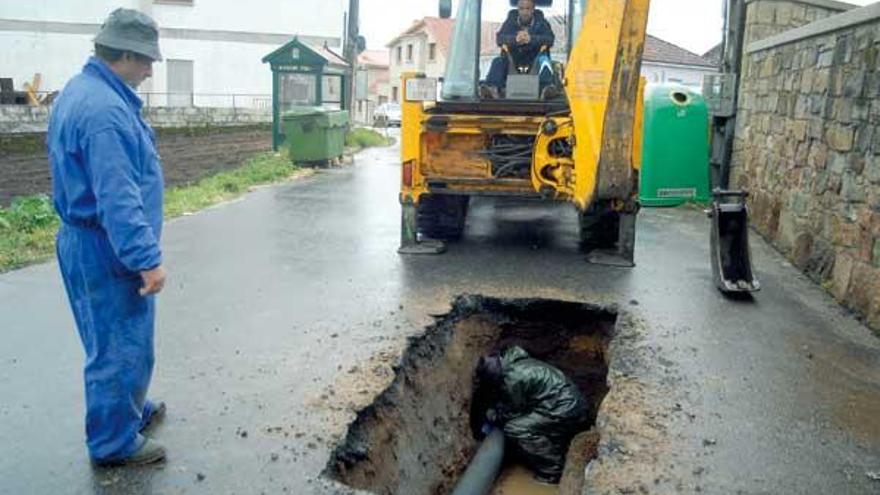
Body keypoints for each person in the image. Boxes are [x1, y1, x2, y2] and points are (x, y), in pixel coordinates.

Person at [48, 8, 168, 466]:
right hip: (106, 246)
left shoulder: (81, 91)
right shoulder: (105, 112)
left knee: (115, 341)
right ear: (123, 55)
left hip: (84, 241)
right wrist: (146, 259)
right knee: (119, 346)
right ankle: (114, 443)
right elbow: (119, 199)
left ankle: (127, 412)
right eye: (145, 61)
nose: (149, 70)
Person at [471, 346, 589, 484]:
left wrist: (495, 417)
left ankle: (553, 470)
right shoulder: (516, 363)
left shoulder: (513, 379)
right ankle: (555, 447)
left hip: (564, 410)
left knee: (515, 428)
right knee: (528, 422)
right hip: (568, 403)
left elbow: (513, 414)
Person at [483, 0, 556, 99]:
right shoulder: (509, 23)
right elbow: (500, 38)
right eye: (521, 8)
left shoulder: (542, 23)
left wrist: (531, 39)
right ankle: (492, 88)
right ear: (517, 9)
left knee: (545, 62)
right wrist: (515, 39)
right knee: (498, 61)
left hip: (535, 60)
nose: (525, 12)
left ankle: (546, 88)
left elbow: (550, 39)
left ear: (533, 9)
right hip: (513, 60)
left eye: (528, 8)